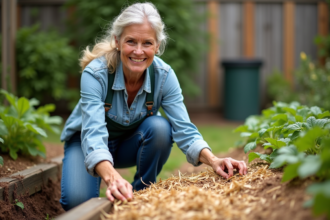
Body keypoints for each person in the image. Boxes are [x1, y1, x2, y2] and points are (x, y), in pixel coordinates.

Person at [59, 2, 247, 211]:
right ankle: (113, 187)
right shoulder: (96, 74)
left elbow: (184, 129)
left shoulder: (164, 76)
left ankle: (141, 197)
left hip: (128, 144)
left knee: (160, 128)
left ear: (157, 46)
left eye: (147, 43)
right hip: (86, 143)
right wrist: (112, 178)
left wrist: (214, 160)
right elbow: (93, 135)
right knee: (77, 203)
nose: (138, 51)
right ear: (117, 41)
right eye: (131, 41)